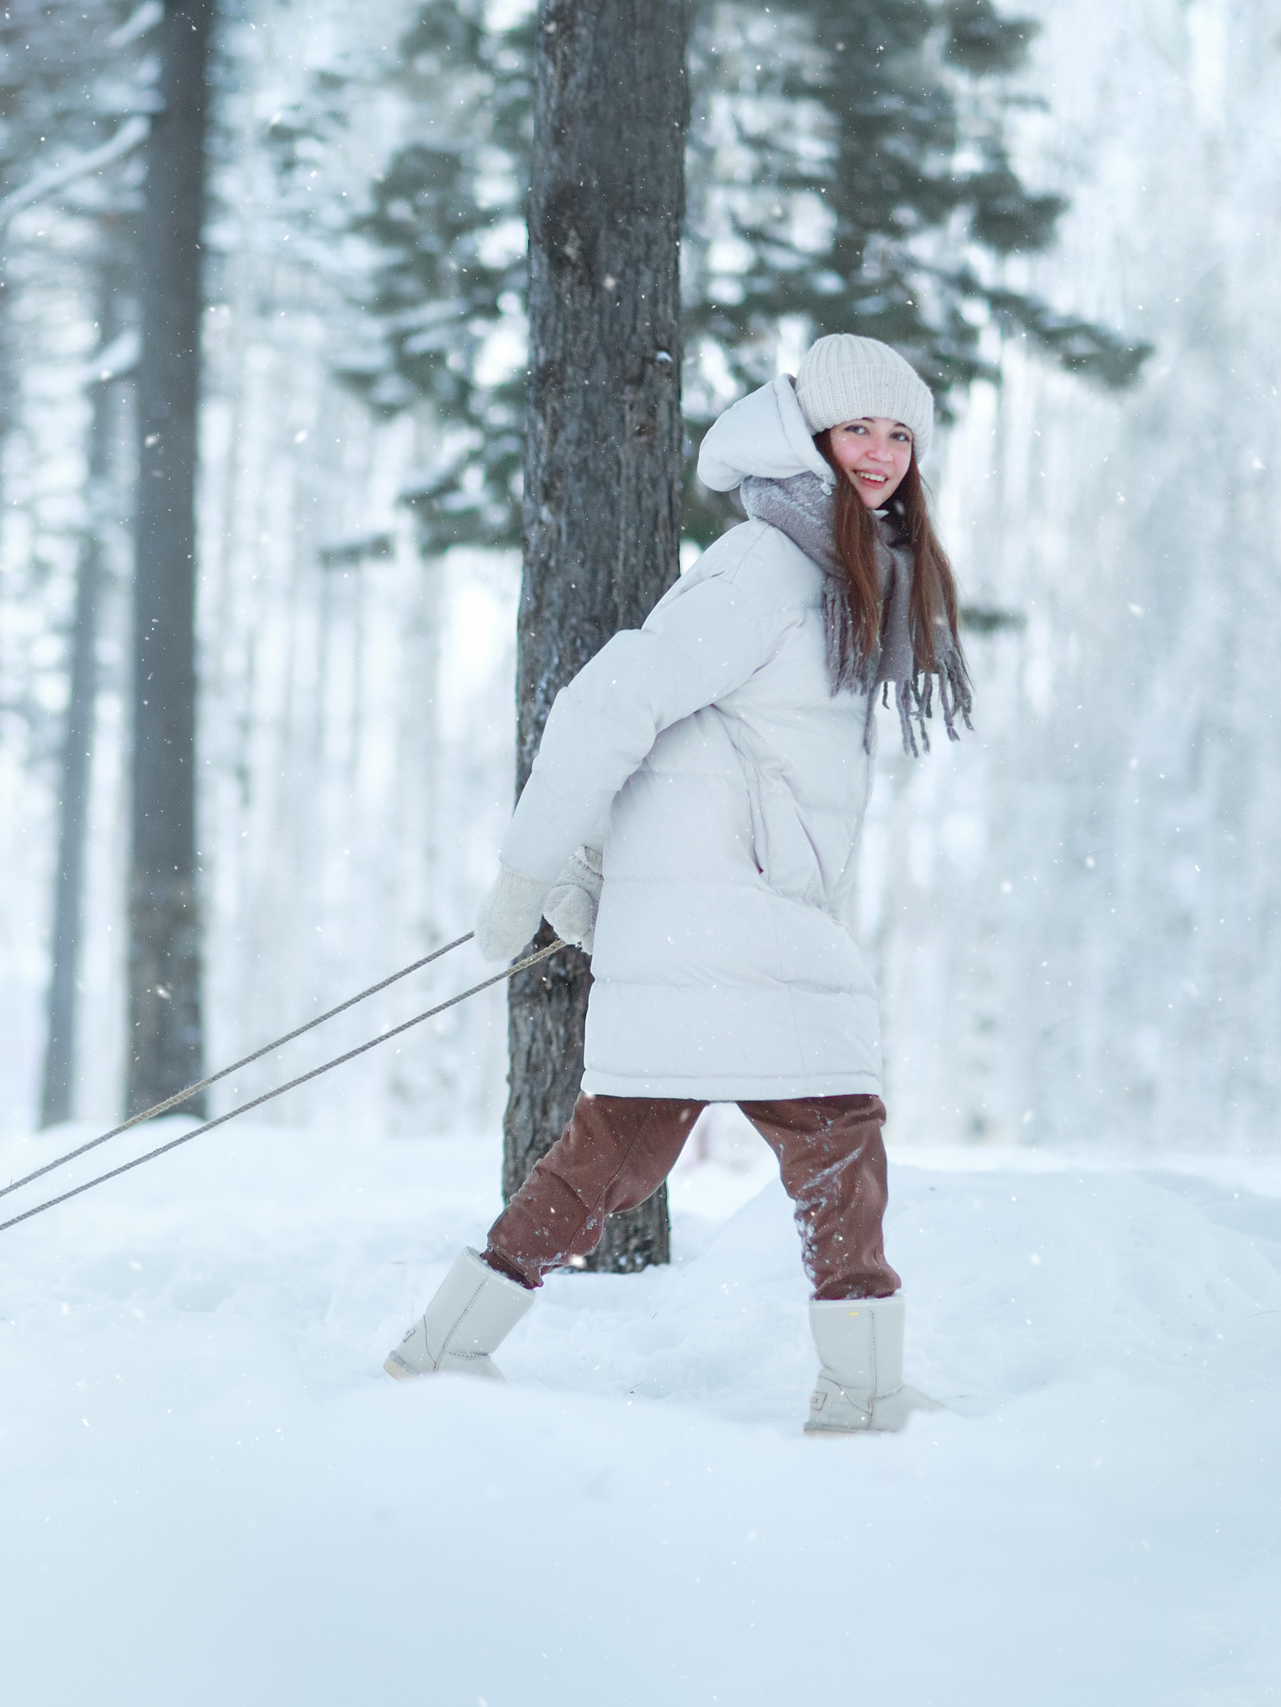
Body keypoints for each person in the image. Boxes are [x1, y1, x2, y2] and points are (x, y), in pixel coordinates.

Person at [384, 334, 973, 1431]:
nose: (881, 453)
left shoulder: (837, 568)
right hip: (737, 913)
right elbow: (615, 701)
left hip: (726, 909)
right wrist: (535, 865)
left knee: (614, 1154)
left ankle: (443, 1348)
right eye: (858, 429)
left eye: (900, 434)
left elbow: (700, 744)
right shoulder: (766, 564)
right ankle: (861, 1389)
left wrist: (602, 866)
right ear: (808, 436)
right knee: (834, 1130)